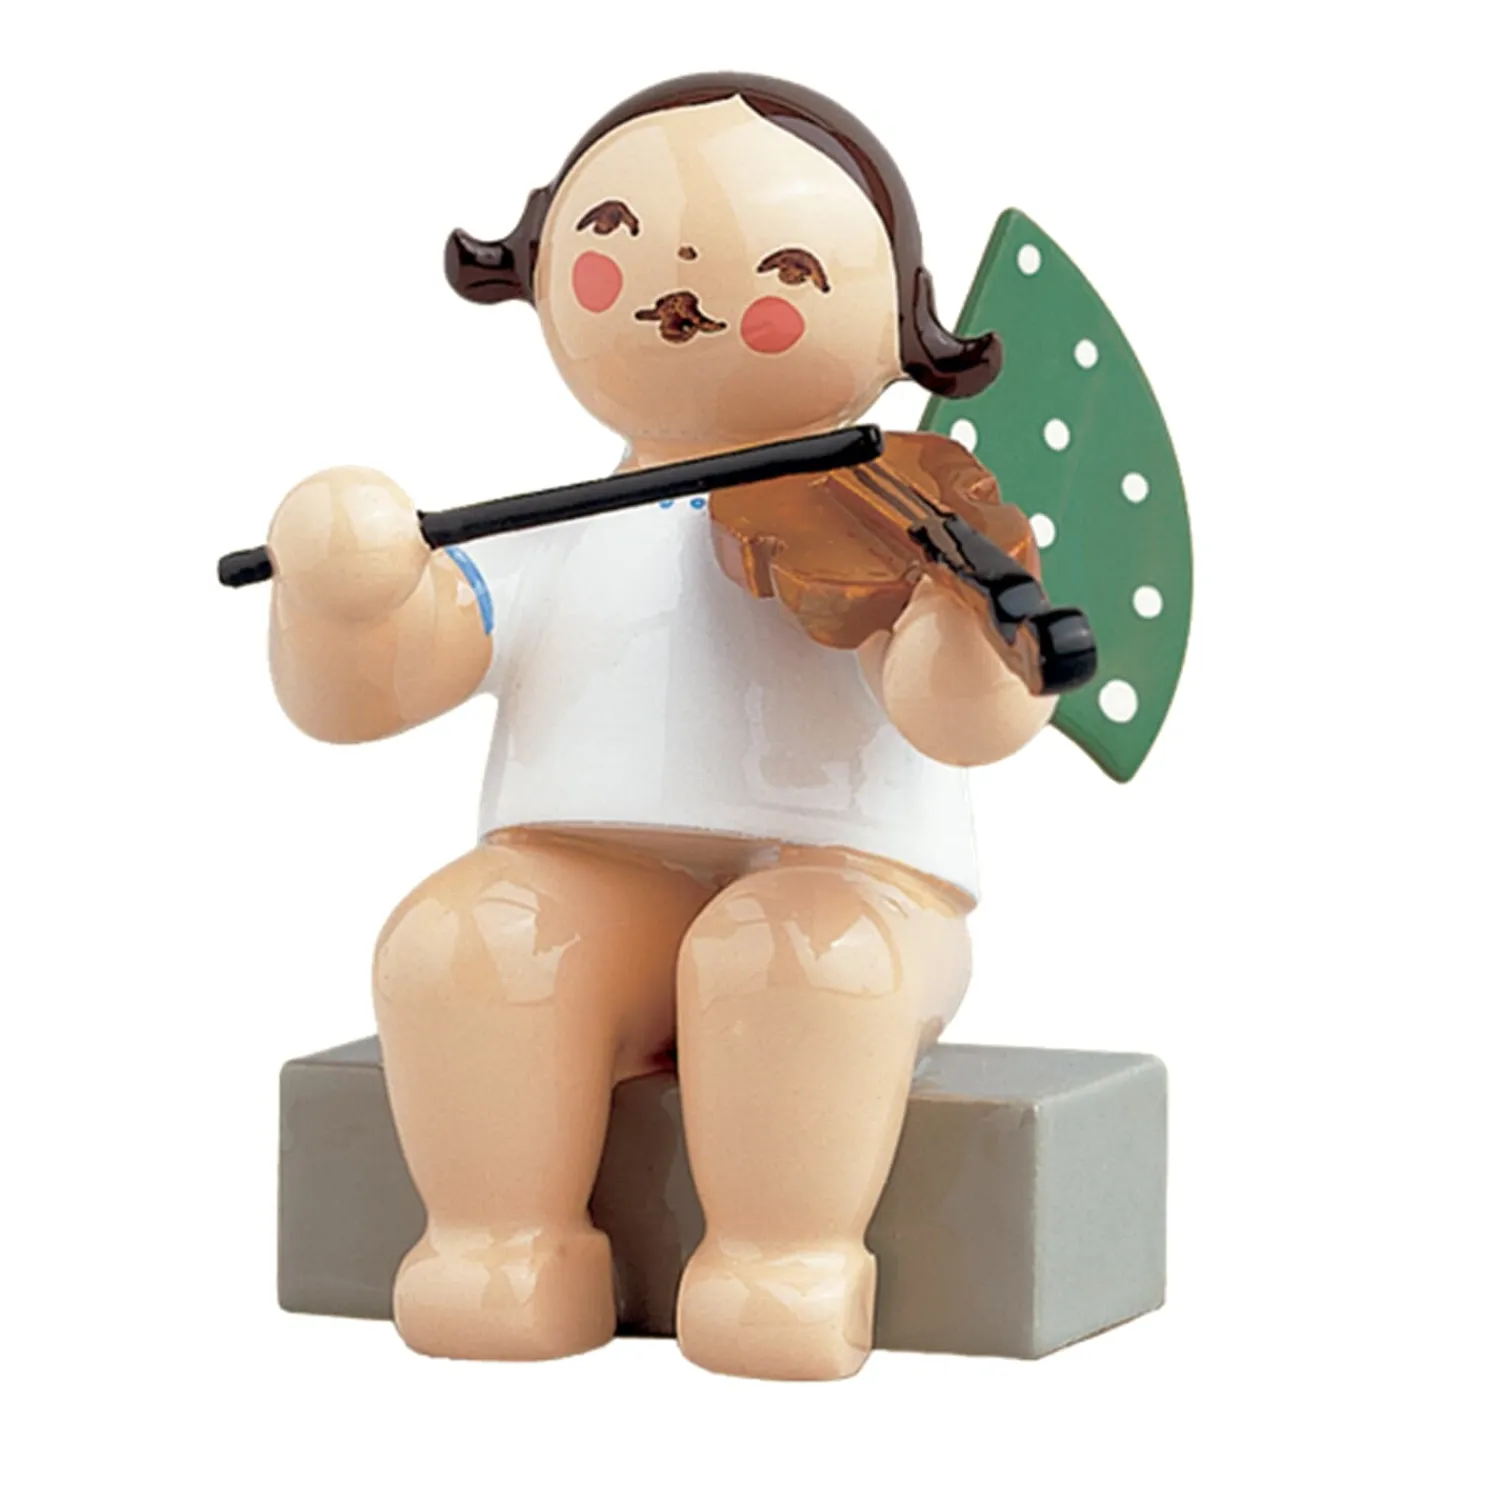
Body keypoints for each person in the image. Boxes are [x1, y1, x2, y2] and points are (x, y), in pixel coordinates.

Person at [265, 73, 1054, 1381]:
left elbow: (954, 718)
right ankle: (500, 1243)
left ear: (894, 328)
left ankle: (785, 1259)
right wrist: (346, 598)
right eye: (616, 238)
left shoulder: (889, 521)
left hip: (850, 880)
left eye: (786, 267)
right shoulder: (565, 529)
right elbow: (377, 688)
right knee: (467, 943)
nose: (678, 282)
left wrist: (974, 635)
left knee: (790, 957)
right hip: (593, 873)